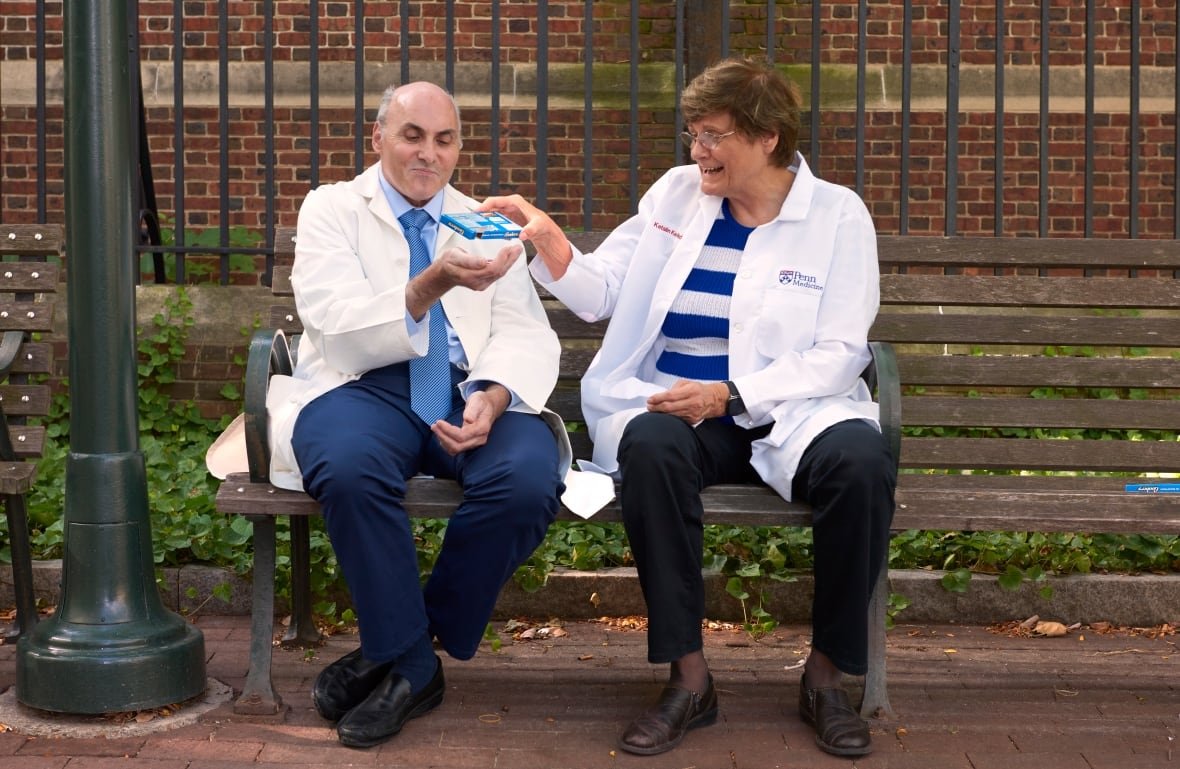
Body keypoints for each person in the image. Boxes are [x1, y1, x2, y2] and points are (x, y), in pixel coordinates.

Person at [481, 57, 895, 758]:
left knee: (860, 460)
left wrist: (733, 394)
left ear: (767, 138)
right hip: (679, 408)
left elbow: (840, 351)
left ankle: (828, 677)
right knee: (648, 445)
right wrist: (549, 240)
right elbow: (603, 293)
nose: (695, 151)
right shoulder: (677, 195)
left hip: (793, 412)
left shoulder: (836, 216)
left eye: (712, 135)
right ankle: (688, 678)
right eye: (692, 133)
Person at [265, 81, 567, 749]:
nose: (428, 153)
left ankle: (398, 645)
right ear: (378, 138)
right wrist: (434, 282)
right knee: (344, 466)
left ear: (458, 149)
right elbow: (335, 324)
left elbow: (524, 328)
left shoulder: (484, 218)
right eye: (412, 135)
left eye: (444, 139)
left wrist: (492, 392)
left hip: (468, 386)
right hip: (364, 386)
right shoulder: (333, 210)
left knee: (526, 480)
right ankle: (413, 666)